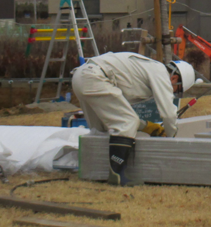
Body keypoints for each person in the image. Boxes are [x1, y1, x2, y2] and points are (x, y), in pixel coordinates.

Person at [70, 52, 198, 185]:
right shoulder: (161, 74)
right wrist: (171, 137)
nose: (174, 93)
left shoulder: (148, 68)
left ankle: (94, 172)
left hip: (82, 76)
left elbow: (120, 111)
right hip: (94, 77)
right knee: (127, 122)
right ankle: (117, 175)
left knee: (101, 129)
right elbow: (168, 113)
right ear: (174, 78)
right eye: (177, 89)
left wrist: (147, 127)